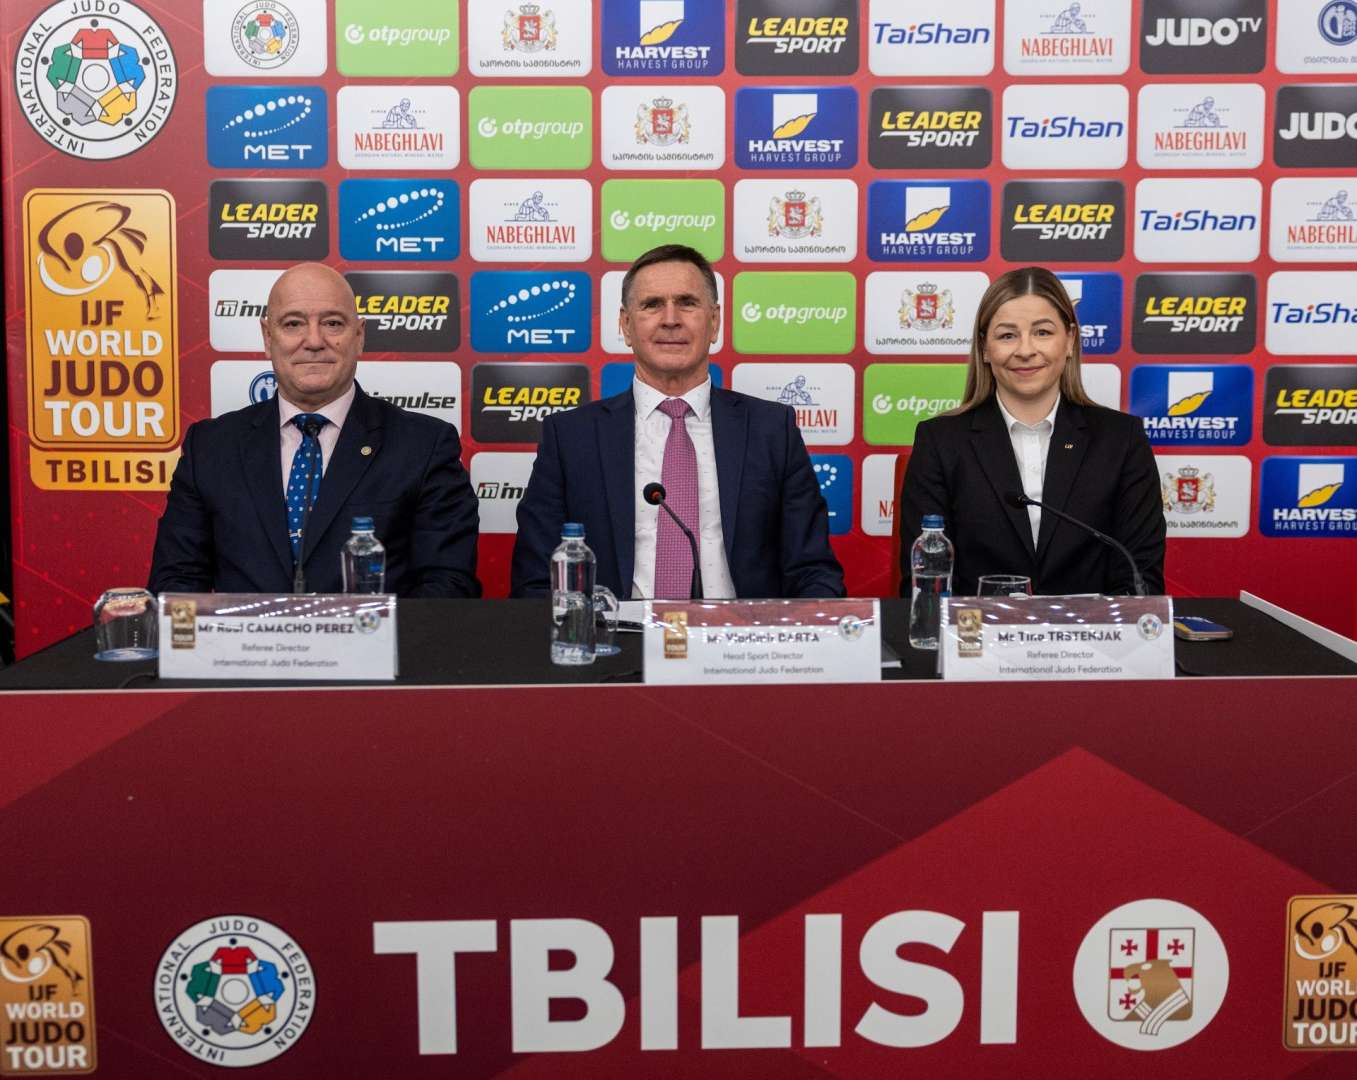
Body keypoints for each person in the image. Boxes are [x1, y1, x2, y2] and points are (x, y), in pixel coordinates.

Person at [510, 244, 844, 599]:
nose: (670, 319)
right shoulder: (570, 437)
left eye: (687, 302)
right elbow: (536, 581)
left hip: (740, 631)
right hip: (613, 631)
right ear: (626, 325)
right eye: (652, 304)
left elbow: (813, 570)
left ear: (714, 322)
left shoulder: (772, 430)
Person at [148, 262, 480, 597]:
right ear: (268, 337)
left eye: (332, 323)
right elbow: (175, 583)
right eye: (293, 324)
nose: (314, 341)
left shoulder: (424, 446)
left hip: (374, 633)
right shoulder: (210, 447)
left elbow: (448, 588)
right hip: (242, 634)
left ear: (359, 336)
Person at [898, 266, 1165, 596]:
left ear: (1070, 340)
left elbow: (1140, 579)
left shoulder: (1121, 440)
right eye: (1007, 335)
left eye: (1042, 332)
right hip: (975, 628)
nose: (1025, 350)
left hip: (1092, 630)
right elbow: (926, 584)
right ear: (984, 348)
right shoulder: (940, 442)